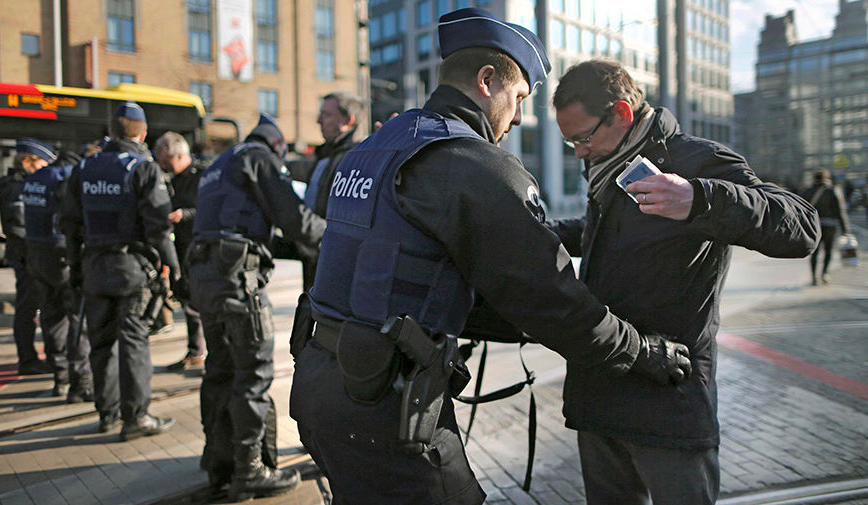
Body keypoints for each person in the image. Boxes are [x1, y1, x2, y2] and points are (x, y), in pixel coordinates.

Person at [290, 9, 695, 505]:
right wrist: (642, 351)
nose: (519, 117)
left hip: (319, 383)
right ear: (487, 81)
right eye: (519, 97)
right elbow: (552, 301)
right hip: (382, 402)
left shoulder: (373, 149)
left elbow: (400, 268)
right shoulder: (474, 164)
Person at [549, 59, 819, 505]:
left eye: (582, 138)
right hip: (600, 394)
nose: (578, 152)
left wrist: (699, 198)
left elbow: (801, 227)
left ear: (621, 113)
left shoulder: (697, 160)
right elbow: (604, 235)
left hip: (669, 398)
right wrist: (541, 232)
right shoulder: (608, 167)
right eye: (570, 141)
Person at [188, 114, 326, 501]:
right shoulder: (259, 158)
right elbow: (295, 220)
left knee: (219, 371)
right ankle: (250, 471)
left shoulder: (220, 163)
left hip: (206, 274)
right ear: (277, 145)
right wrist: (339, 238)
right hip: (238, 278)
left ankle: (220, 466)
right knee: (253, 373)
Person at [61, 101, 180, 440]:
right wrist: (173, 267)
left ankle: (107, 414)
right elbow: (158, 226)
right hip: (132, 269)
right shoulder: (143, 168)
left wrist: (76, 268)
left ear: (111, 132)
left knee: (101, 343)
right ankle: (136, 418)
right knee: (133, 342)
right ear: (142, 134)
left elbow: (69, 224)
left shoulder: (84, 168)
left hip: (94, 266)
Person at [22, 149, 94, 401]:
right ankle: (81, 382)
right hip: (61, 255)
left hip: (36, 255)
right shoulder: (66, 177)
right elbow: (71, 218)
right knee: (77, 319)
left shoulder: (35, 178)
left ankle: (60, 377)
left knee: (51, 317)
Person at [0, 139, 55, 376]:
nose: (44, 168)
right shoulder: (17, 187)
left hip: (26, 254)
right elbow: (19, 226)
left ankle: (33, 357)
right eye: (42, 163)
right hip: (26, 255)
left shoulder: (17, 183)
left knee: (32, 306)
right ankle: (28, 360)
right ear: (28, 161)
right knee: (28, 307)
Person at [296, 91, 365, 290]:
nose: (318, 121)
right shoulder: (324, 157)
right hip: (314, 260)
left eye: (326, 115)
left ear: (348, 120)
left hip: (336, 266)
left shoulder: (356, 159)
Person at [153, 131, 207, 370]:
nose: (164, 167)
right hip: (180, 246)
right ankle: (195, 351)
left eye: (167, 161)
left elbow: (208, 209)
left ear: (179, 155)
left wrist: (183, 214)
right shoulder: (175, 178)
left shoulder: (202, 175)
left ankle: (200, 352)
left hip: (198, 246)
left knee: (197, 302)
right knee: (187, 300)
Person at [801, 170, 851, 285]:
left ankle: (814, 277)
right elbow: (840, 211)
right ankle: (824, 273)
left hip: (813, 226)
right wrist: (845, 229)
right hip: (830, 226)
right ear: (827, 178)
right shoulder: (833, 190)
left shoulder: (808, 191)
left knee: (814, 251)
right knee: (828, 250)